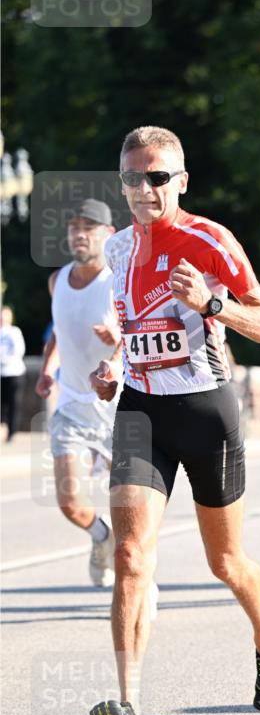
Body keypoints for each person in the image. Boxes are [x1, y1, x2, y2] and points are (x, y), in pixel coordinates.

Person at [86, 125, 260, 715]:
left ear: (181, 180)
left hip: (205, 413)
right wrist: (112, 368)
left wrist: (213, 305)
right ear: (120, 183)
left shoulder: (209, 240)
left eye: (157, 177)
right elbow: (132, 328)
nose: (144, 188)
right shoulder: (117, 250)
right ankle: (129, 704)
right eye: (132, 177)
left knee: (225, 564)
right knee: (129, 558)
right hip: (141, 412)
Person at [34, 199, 129, 591]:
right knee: (69, 502)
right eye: (74, 227)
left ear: (108, 235)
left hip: (117, 408)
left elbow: (140, 336)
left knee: (133, 513)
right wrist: (46, 370)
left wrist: (117, 341)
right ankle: (100, 537)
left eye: (88, 227)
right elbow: (59, 329)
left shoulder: (117, 282)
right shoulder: (57, 280)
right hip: (72, 403)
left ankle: (137, 578)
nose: (79, 233)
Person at [0, 306, 26, 441]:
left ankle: (12, 432)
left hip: (13, 372)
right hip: (1, 374)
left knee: (13, 404)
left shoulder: (14, 332)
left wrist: (4, 360)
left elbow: (18, 350)